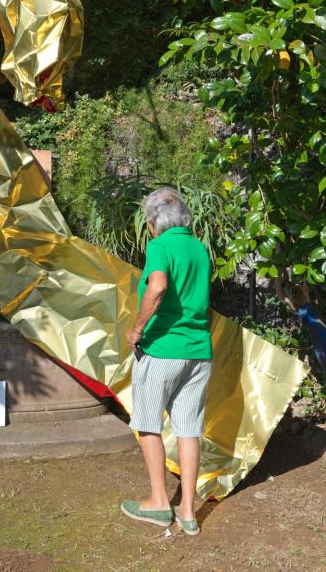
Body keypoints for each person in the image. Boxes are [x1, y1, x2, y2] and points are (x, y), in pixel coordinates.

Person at [121, 187, 212, 536]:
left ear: (152, 223)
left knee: (148, 423)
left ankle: (160, 503)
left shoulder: (159, 246)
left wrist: (137, 329)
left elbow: (157, 287)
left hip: (162, 349)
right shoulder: (198, 248)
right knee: (188, 430)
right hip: (198, 352)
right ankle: (188, 511)